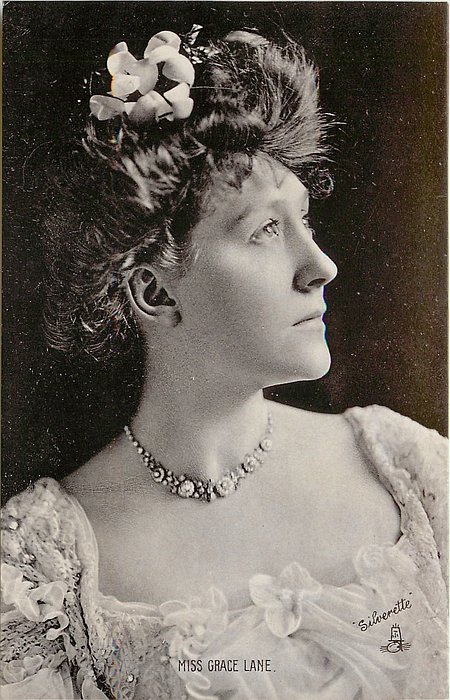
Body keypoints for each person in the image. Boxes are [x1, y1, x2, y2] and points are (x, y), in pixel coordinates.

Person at [1, 27, 447, 700]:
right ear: (154, 292)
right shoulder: (42, 572)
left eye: (305, 221)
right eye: (266, 229)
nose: (321, 266)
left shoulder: (411, 473)